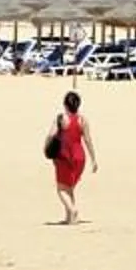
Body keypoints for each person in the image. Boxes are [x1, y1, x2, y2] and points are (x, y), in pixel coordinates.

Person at [47, 89, 95, 224]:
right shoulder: (83, 120)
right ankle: (70, 218)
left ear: (65, 104)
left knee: (61, 189)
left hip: (64, 156)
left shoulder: (61, 118)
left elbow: (51, 135)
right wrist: (93, 159)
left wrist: (47, 148)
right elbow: (88, 140)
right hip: (80, 156)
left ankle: (72, 210)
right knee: (69, 187)